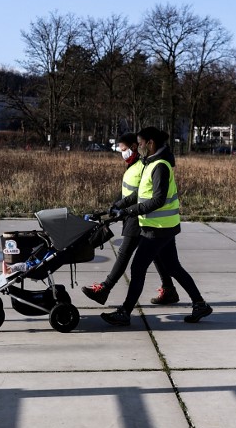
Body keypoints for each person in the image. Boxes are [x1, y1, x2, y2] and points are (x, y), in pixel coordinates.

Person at [100, 126, 212, 327]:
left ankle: (125, 312)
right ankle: (200, 304)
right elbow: (141, 193)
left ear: (150, 143)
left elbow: (159, 199)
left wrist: (130, 212)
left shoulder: (160, 165)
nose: (139, 147)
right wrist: (120, 204)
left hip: (158, 228)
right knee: (173, 267)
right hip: (162, 226)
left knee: (137, 267)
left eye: (141, 143)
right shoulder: (150, 163)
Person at [80, 133, 176, 306]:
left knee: (125, 254)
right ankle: (169, 289)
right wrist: (113, 208)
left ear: (134, 146)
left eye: (123, 149)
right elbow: (127, 192)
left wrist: (122, 210)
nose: (121, 153)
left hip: (138, 216)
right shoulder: (133, 165)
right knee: (158, 255)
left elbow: (139, 194)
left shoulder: (144, 165)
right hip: (132, 214)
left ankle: (105, 289)